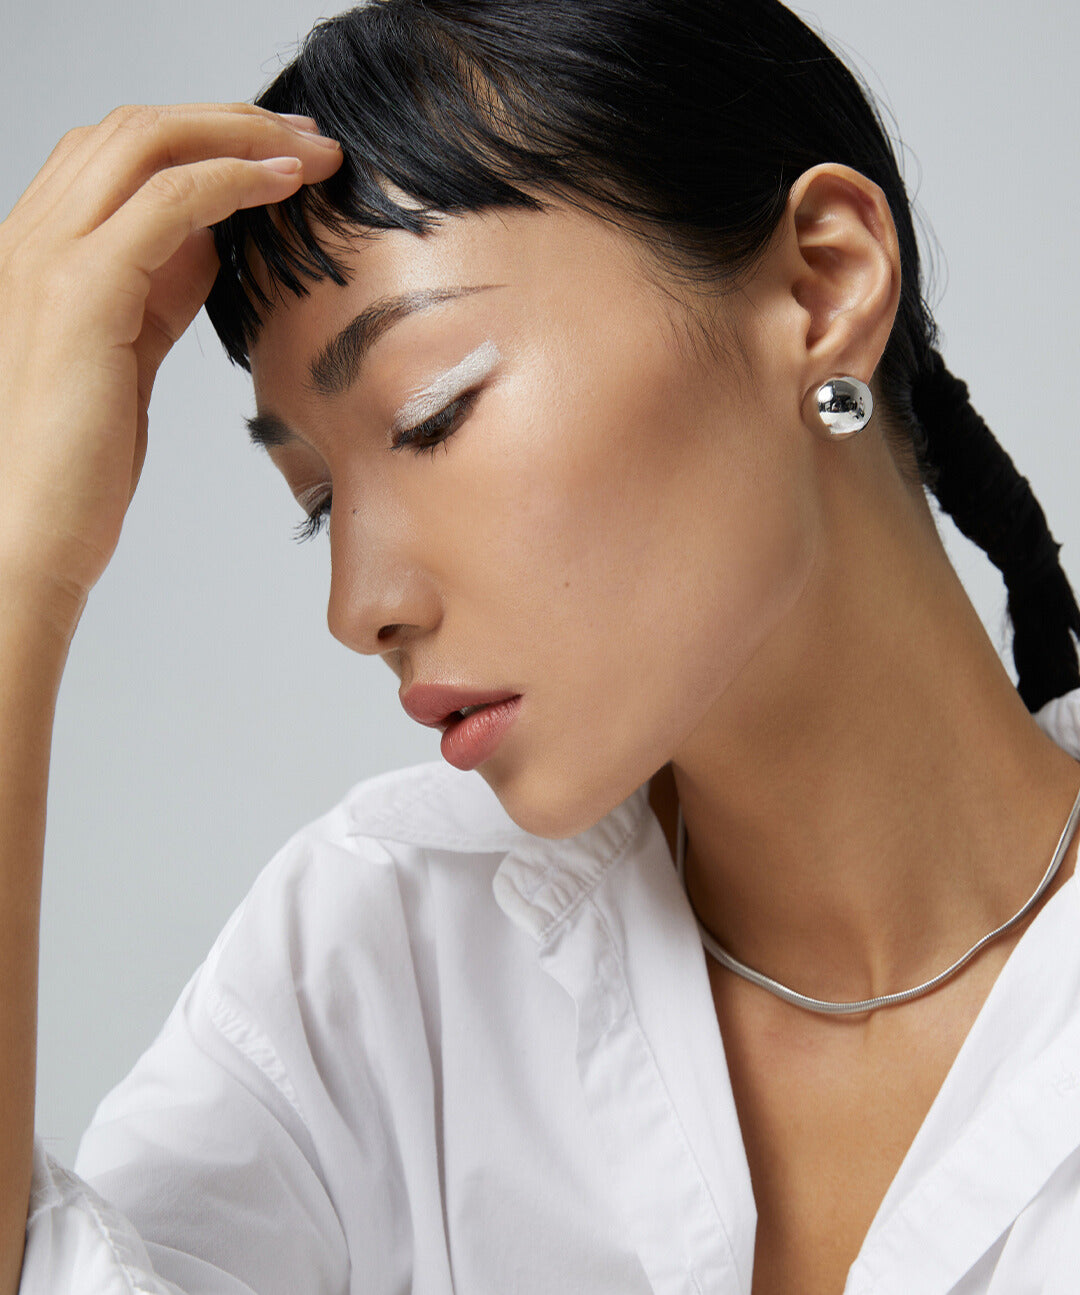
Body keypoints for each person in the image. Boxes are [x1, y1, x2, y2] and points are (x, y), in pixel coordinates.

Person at [4, 0, 1080, 1292]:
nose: (358, 608)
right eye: (320, 508)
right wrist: (18, 574)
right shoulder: (385, 958)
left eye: (430, 412)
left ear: (821, 285)